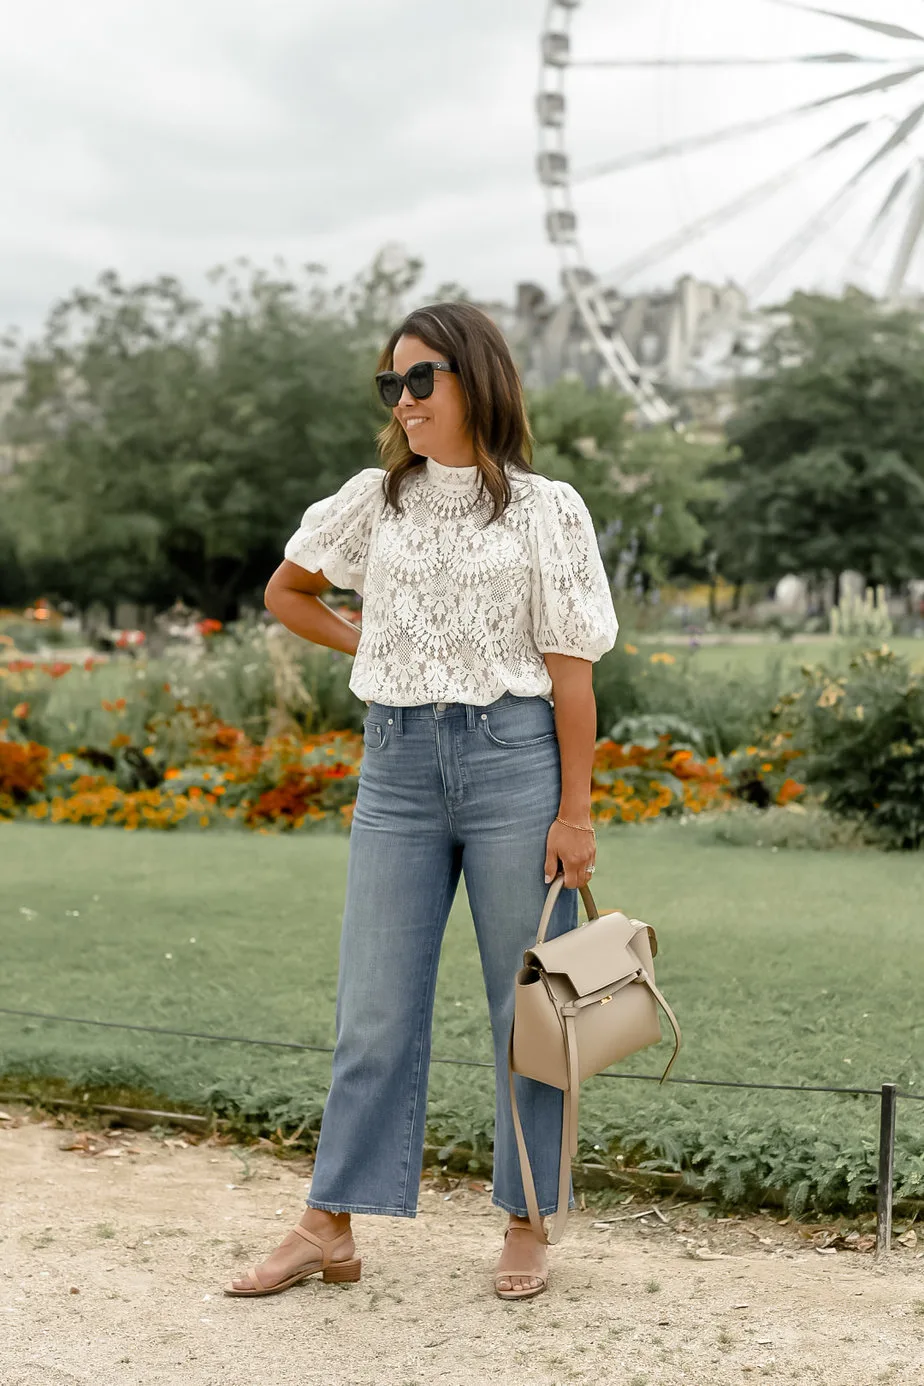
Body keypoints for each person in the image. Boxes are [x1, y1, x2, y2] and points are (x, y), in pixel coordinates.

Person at [224, 302, 618, 1303]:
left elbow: (573, 675)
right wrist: (376, 642)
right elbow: (287, 591)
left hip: (513, 766)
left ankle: (529, 1219)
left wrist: (575, 813)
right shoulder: (375, 501)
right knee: (373, 1006)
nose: (402, 400)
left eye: (421, 379)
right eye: (390, 384)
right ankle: (328, 1223)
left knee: (527, 1007)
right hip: (396, 767)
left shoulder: (546, 509)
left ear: (476, 380)